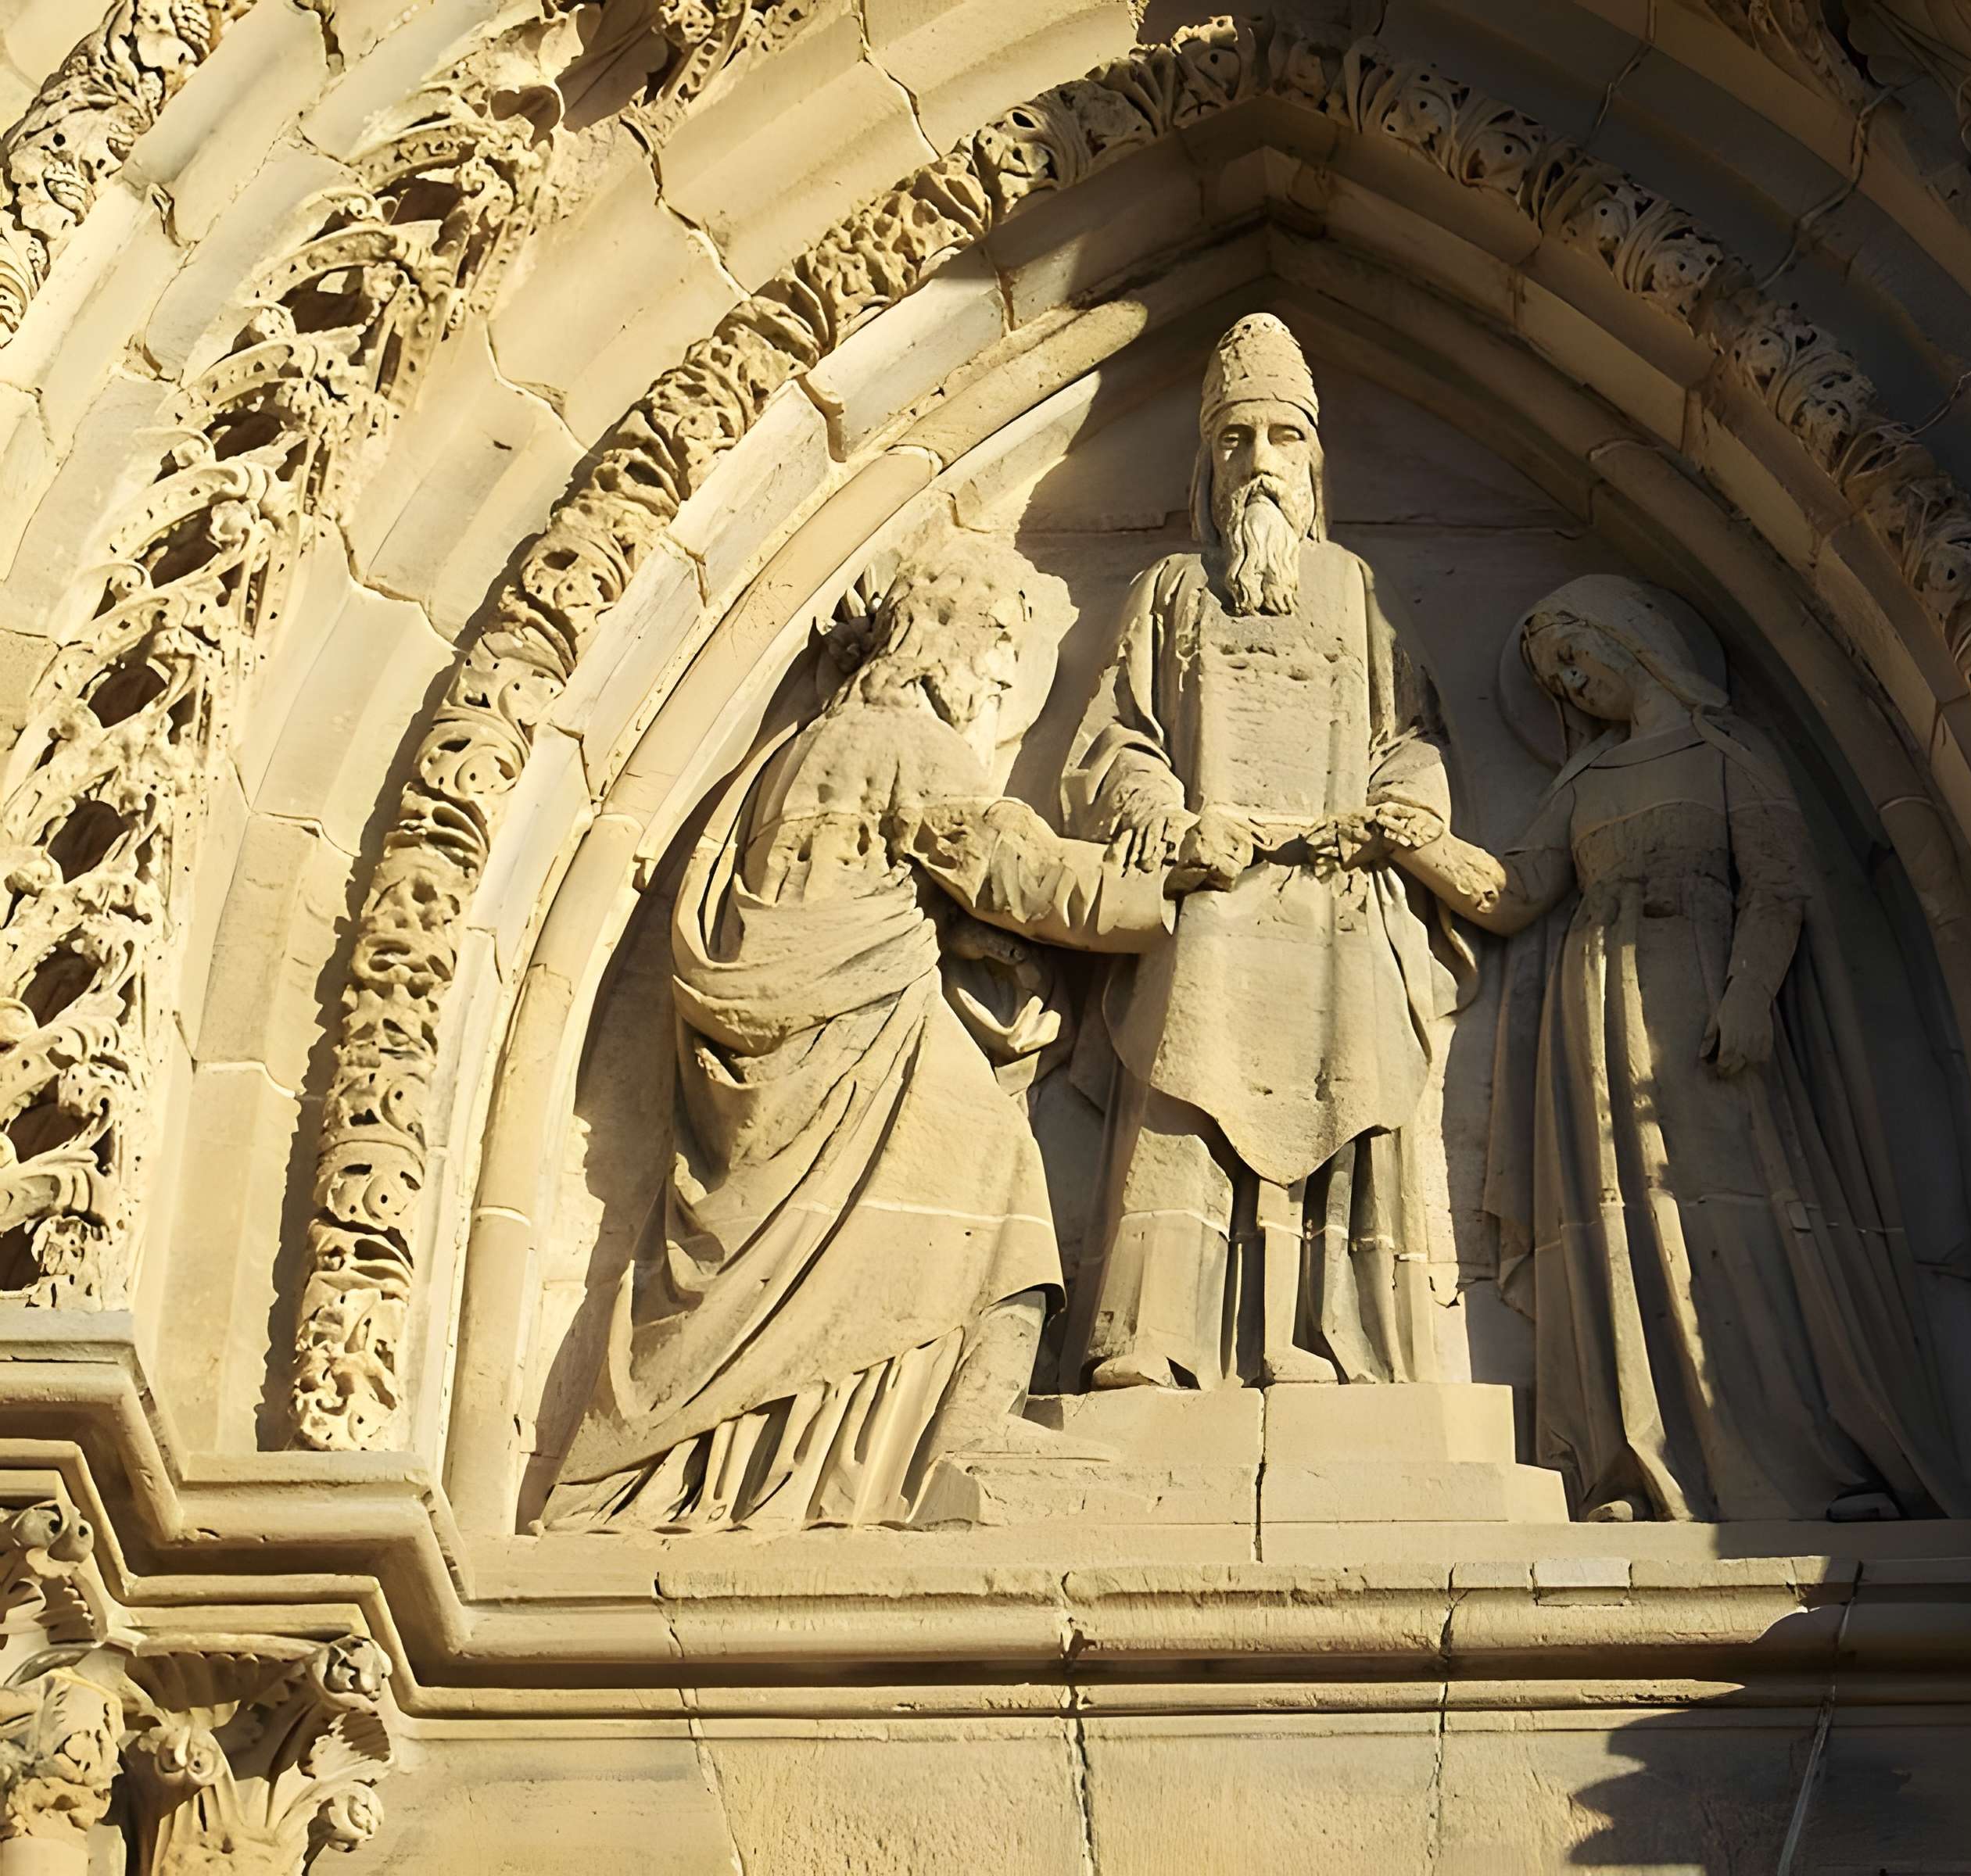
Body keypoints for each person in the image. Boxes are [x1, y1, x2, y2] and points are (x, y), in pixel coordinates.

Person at [545, 541, 1177, 1531]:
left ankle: (747, 1456)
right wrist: (1173, 892)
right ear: (936, 638)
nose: (1009, 673)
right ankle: (958, 1433)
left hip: (795, 1055)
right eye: (1001, 642)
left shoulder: (790, 753)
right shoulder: (901, 742)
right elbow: (1020, 874)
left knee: (875, 1229)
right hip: (851, 1052)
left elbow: (840, 891)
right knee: (1000, 1189)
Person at [1392, 575, 1971, 1522]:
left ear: (1631, 639)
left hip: (1700, 998)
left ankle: (1813, 1466)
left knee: (1739, 1226)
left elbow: (1778, 885)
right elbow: (1511, 893)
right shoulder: (1581, 784)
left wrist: (1748, 993)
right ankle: (1642, 1469)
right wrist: (1419, 844)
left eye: (1576, 657)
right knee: (1620, 1237)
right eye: (1554, 677)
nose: (1570, 683)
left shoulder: (1726, 755)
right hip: (1595, 1022)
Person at [1059, 313, 1464, 1390]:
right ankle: (1153, 1340)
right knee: (1185, 1093)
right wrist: (1176, 825)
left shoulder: (1354, 591)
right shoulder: (1169, 592)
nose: (1260, 462)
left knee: (1345, 1102)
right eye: (1237, 439)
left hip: (1337, 903)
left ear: (1315, 456)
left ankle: (1333, 1346)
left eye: (1284, 436)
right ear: (1208, 459)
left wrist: (1397, 810)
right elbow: (1114, 744)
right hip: (1213, 903)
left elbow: (1410, 739)